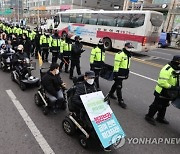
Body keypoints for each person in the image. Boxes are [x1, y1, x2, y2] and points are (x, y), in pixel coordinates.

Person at [145, 55, 180, 126]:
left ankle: (160, 117)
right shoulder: (167, 69)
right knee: (157, 105)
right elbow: (162, 83)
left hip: (170, 92)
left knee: (165, 105)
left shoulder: (176, 69)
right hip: (161, 91)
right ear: (177, 62)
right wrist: (173, 87)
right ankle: (149, 116)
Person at [108, 42, 134, 109]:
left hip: (124, 72)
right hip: (119, 72)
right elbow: (116, 64)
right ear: (125, 47)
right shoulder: (120, 54)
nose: (130, 49)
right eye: (129, 47)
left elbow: (127, 65)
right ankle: (120, 101)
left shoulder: (128, 55)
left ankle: (110, 93)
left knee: (116, 84)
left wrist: (127, 72)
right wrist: (116, 73)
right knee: (119, 86)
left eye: (131, 48)